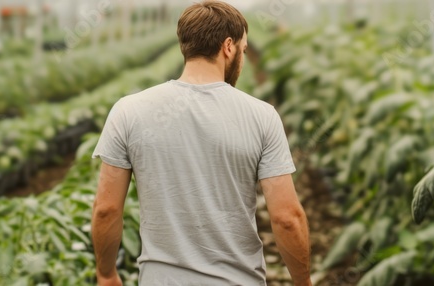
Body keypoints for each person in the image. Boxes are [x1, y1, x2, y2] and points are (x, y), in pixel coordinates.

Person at [89, 1, 311, 285]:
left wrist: (106, 274)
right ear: (228, 47)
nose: (242, 58)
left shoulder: (128, 110)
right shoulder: (261, 116)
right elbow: (287, 218)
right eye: (243, 50)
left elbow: (106, 209)